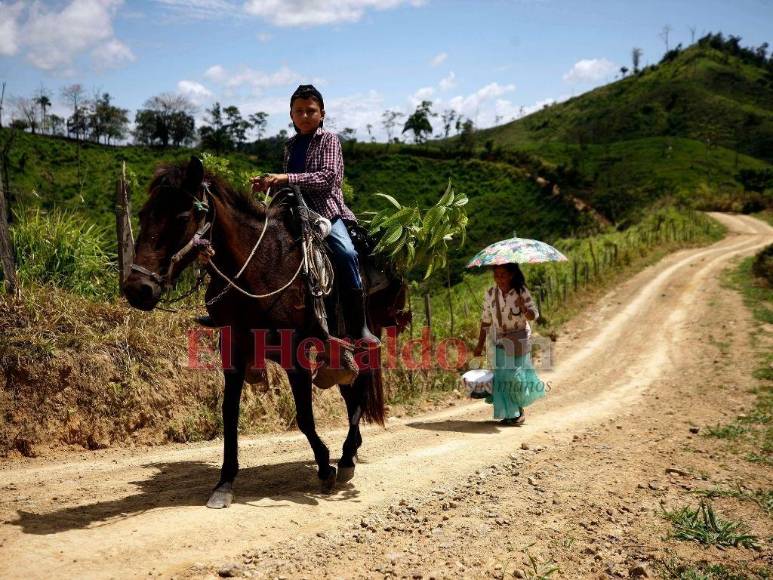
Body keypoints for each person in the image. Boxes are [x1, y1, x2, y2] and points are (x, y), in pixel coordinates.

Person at [251, 84, 379, 346]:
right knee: (255, 244)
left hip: (326, 212)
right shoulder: (290, 145)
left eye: (311, 111)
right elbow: (289, 182)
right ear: (291, 115)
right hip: (291, 210)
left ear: (322, 113)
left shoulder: (329, 140)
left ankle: (359, 327)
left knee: (346, 253)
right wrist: (269, 183)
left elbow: (326, 178)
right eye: (299, 111)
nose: (305, 116)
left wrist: (284, 177)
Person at [472, 263, 546, 425]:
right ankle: (510, 413)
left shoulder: (521, 292)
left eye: (503, 275)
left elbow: (533, 315)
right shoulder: (490, 294)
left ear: (511, 275)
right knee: (501, 377)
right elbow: (485, 320)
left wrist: (524, 308)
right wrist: (479, 344)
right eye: (496, 275)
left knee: (515, 377)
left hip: (518, 340)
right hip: (499, 340)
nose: (500, 279)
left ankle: (518, 408)